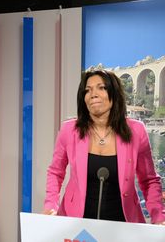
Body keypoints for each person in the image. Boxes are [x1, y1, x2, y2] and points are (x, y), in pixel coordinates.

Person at [43, 69, 165, 224]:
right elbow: (55, 172)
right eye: (88, 90)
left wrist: (158, 216)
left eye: (101, 88)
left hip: (123, 224)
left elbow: (149, 181)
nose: (93, 94)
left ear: (114, 94)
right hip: (75, 223)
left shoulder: (137, 130)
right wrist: (51, 205)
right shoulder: (69, 130)